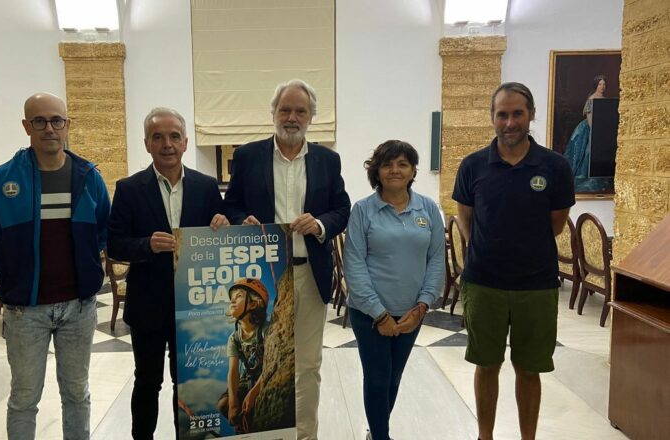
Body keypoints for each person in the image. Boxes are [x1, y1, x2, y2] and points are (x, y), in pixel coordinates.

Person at [0, 92, 111, 440]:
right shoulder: (1, 180)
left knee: (77, 394)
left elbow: (103, 230)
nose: (48, 128)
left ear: (67, 125)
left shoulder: (88, 176)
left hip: (78, 308)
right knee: (24, 397)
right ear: (26, 126)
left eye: (56, 120)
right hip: (25, 312)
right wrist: (11, 274)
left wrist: (86, 267)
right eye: (39, 121)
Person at [223, 79, 351, 439]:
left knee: (307, 364)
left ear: (311, 117)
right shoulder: (247, 156)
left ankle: (305, 435)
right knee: (264, 361)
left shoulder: (328, 159)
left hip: (309, 272)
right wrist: (240, 221)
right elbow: (232, 204)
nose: (292, 117)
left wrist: (321, 224)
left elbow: (343, 209)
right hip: (264, 275)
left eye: (300, 111)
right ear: (274, 114)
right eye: (285, 110)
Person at [452, 82, 575, 440]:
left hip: (535, 285)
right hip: (483, 282)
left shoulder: (556, 166)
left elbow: (555, 224)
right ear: (492, 118)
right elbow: (465, 217)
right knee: (486, 364)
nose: (509, 122)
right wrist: (488, 248)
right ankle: (485, 436)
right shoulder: (473, 165)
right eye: (502, 114)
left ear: (531, 114)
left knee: (529, 368)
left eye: (517, 113)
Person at [107, 107, 229, 439]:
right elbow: (115, 244)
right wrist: (147, 245)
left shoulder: (206, 187)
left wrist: (222, 225)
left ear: (186, 142)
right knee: (147, 381)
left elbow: (220, 240)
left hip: (195, 307)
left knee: (187, 384)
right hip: (148, 303)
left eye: (174, 136)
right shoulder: (130, 188)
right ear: (146, 143)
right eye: (158, 137)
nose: (167, 144)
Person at [344, 140, 445, 440]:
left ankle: (376, 431)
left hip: (412, 313)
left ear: (413, 170)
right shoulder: (363, 210)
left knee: (393, 379)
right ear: (377, 170)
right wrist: (379, 315)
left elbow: (436, 259)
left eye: (402, 164)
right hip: (369, 314)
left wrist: (423, 306)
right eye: (387, 164)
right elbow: (354, 265)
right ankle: (380, 436)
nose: (395, 170)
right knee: (377, 379)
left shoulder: (427, 208)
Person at [217, 278, 270, 433]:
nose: (232, 301)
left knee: (258, 403)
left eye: (239, 296)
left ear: (254, 304)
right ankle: (243, 424)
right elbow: (233, 371)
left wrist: (254, 393)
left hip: (264, 375)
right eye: (232, 298)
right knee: (223, 404)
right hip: (247, 379)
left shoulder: (266, 331)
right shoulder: (234, 338)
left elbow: (271, 364)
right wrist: (233, 405)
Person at [564, 74, 609, 192]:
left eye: (604, 84)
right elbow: (590, 118)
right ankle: (584, 176)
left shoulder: (604, 99)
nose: (602, 86)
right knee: (588, 151)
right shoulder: (591, 99)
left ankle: (599, 177)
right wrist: (595, 132)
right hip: (589, 128)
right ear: (596, 85)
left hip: (602, 128)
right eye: (600, 84)